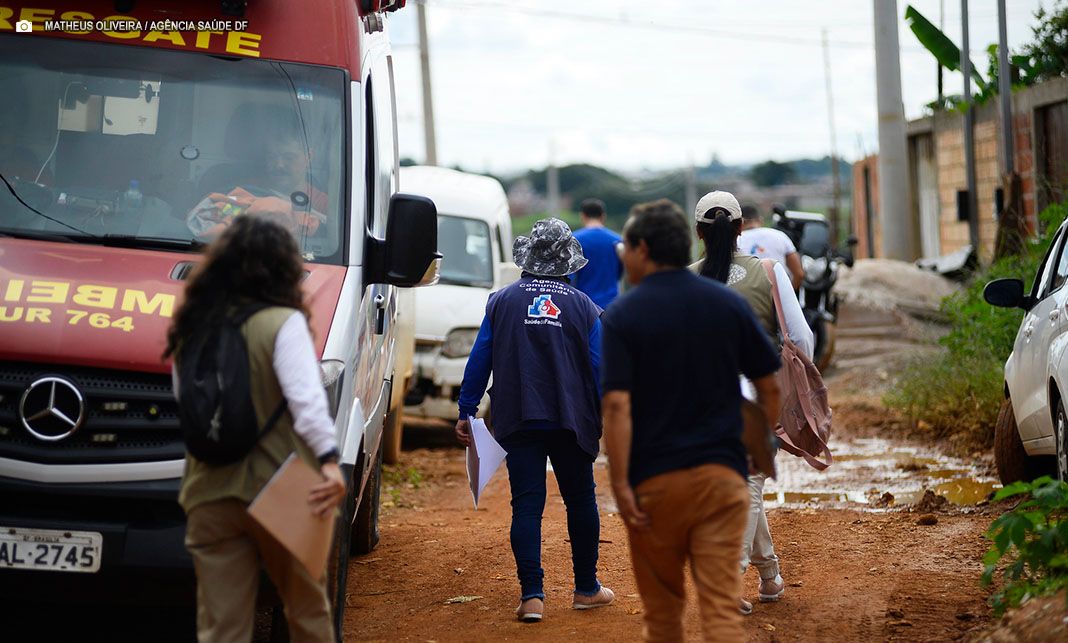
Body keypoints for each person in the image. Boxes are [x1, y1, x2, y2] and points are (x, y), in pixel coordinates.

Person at [601, 199, 782, 642]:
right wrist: (756, 450)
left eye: (627, 247)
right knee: (720, 614)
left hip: (655, 487)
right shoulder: (727, 304)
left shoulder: (623, 315)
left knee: (663, 620)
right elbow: (770, 386)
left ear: (643, 249)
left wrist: (621, 484)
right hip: (722, 479)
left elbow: (618, 408)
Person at [164, 216, 346, 642]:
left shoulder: (193, 326)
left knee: (222, 628)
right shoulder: (283, 322)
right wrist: (329, 462)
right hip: (281, 487)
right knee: (306, 612)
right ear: (284, 268)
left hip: (208, 492)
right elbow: (306, 402)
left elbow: (185, 399)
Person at [455, 218, 614, 622]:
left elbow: (480, 359)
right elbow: (601, 368)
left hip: (518, 416)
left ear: (527, 259)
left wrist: (466, 409)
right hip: (571, 419)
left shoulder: (501, 301)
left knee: (526, 504)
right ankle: (586, 588)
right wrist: (608, 415)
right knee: (580, 499)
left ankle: (532, 597)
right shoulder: (585, 307)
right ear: (568, 262)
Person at [692, 190, 814, 616]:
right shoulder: (768, 270)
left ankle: (770, 575)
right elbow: (800, 337)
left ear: (698, 233)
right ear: (743, 228)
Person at [187, 130, 328, 240]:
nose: (279, 164)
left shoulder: (322, 204)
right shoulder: (242, 191)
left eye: (289, 157)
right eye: (272, 156)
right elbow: (215, 216)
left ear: (309, 156)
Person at [571, 198, 624, 309]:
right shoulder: (617, 240)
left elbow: (570, 276)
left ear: (583, 216)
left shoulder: (575, 240)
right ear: (603, 216)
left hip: (584, 305)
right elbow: (620, 272)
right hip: (611, 304)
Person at [738, 204, 804, 289]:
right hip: (777, 295)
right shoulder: (780, 236)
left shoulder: (735, 241)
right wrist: (787, 294)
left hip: (748, 297)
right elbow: (799, 274)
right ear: (760, 220)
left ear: (740, 222)